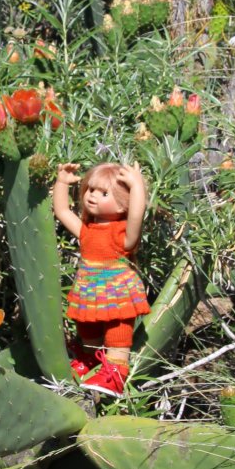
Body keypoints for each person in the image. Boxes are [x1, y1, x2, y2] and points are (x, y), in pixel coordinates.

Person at [52, 161, 150, 396]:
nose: (92, 196)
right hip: (89, 291)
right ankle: (91, 359)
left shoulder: (122, 235)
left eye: (104, 193)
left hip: (118, 294)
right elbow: (63, 211)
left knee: (118, 332)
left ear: (123, 202)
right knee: (87, 327)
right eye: (91, 190)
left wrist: (137, 187)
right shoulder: (87, 230)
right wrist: (62, 182)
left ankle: (115, 373)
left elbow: (138, 213)